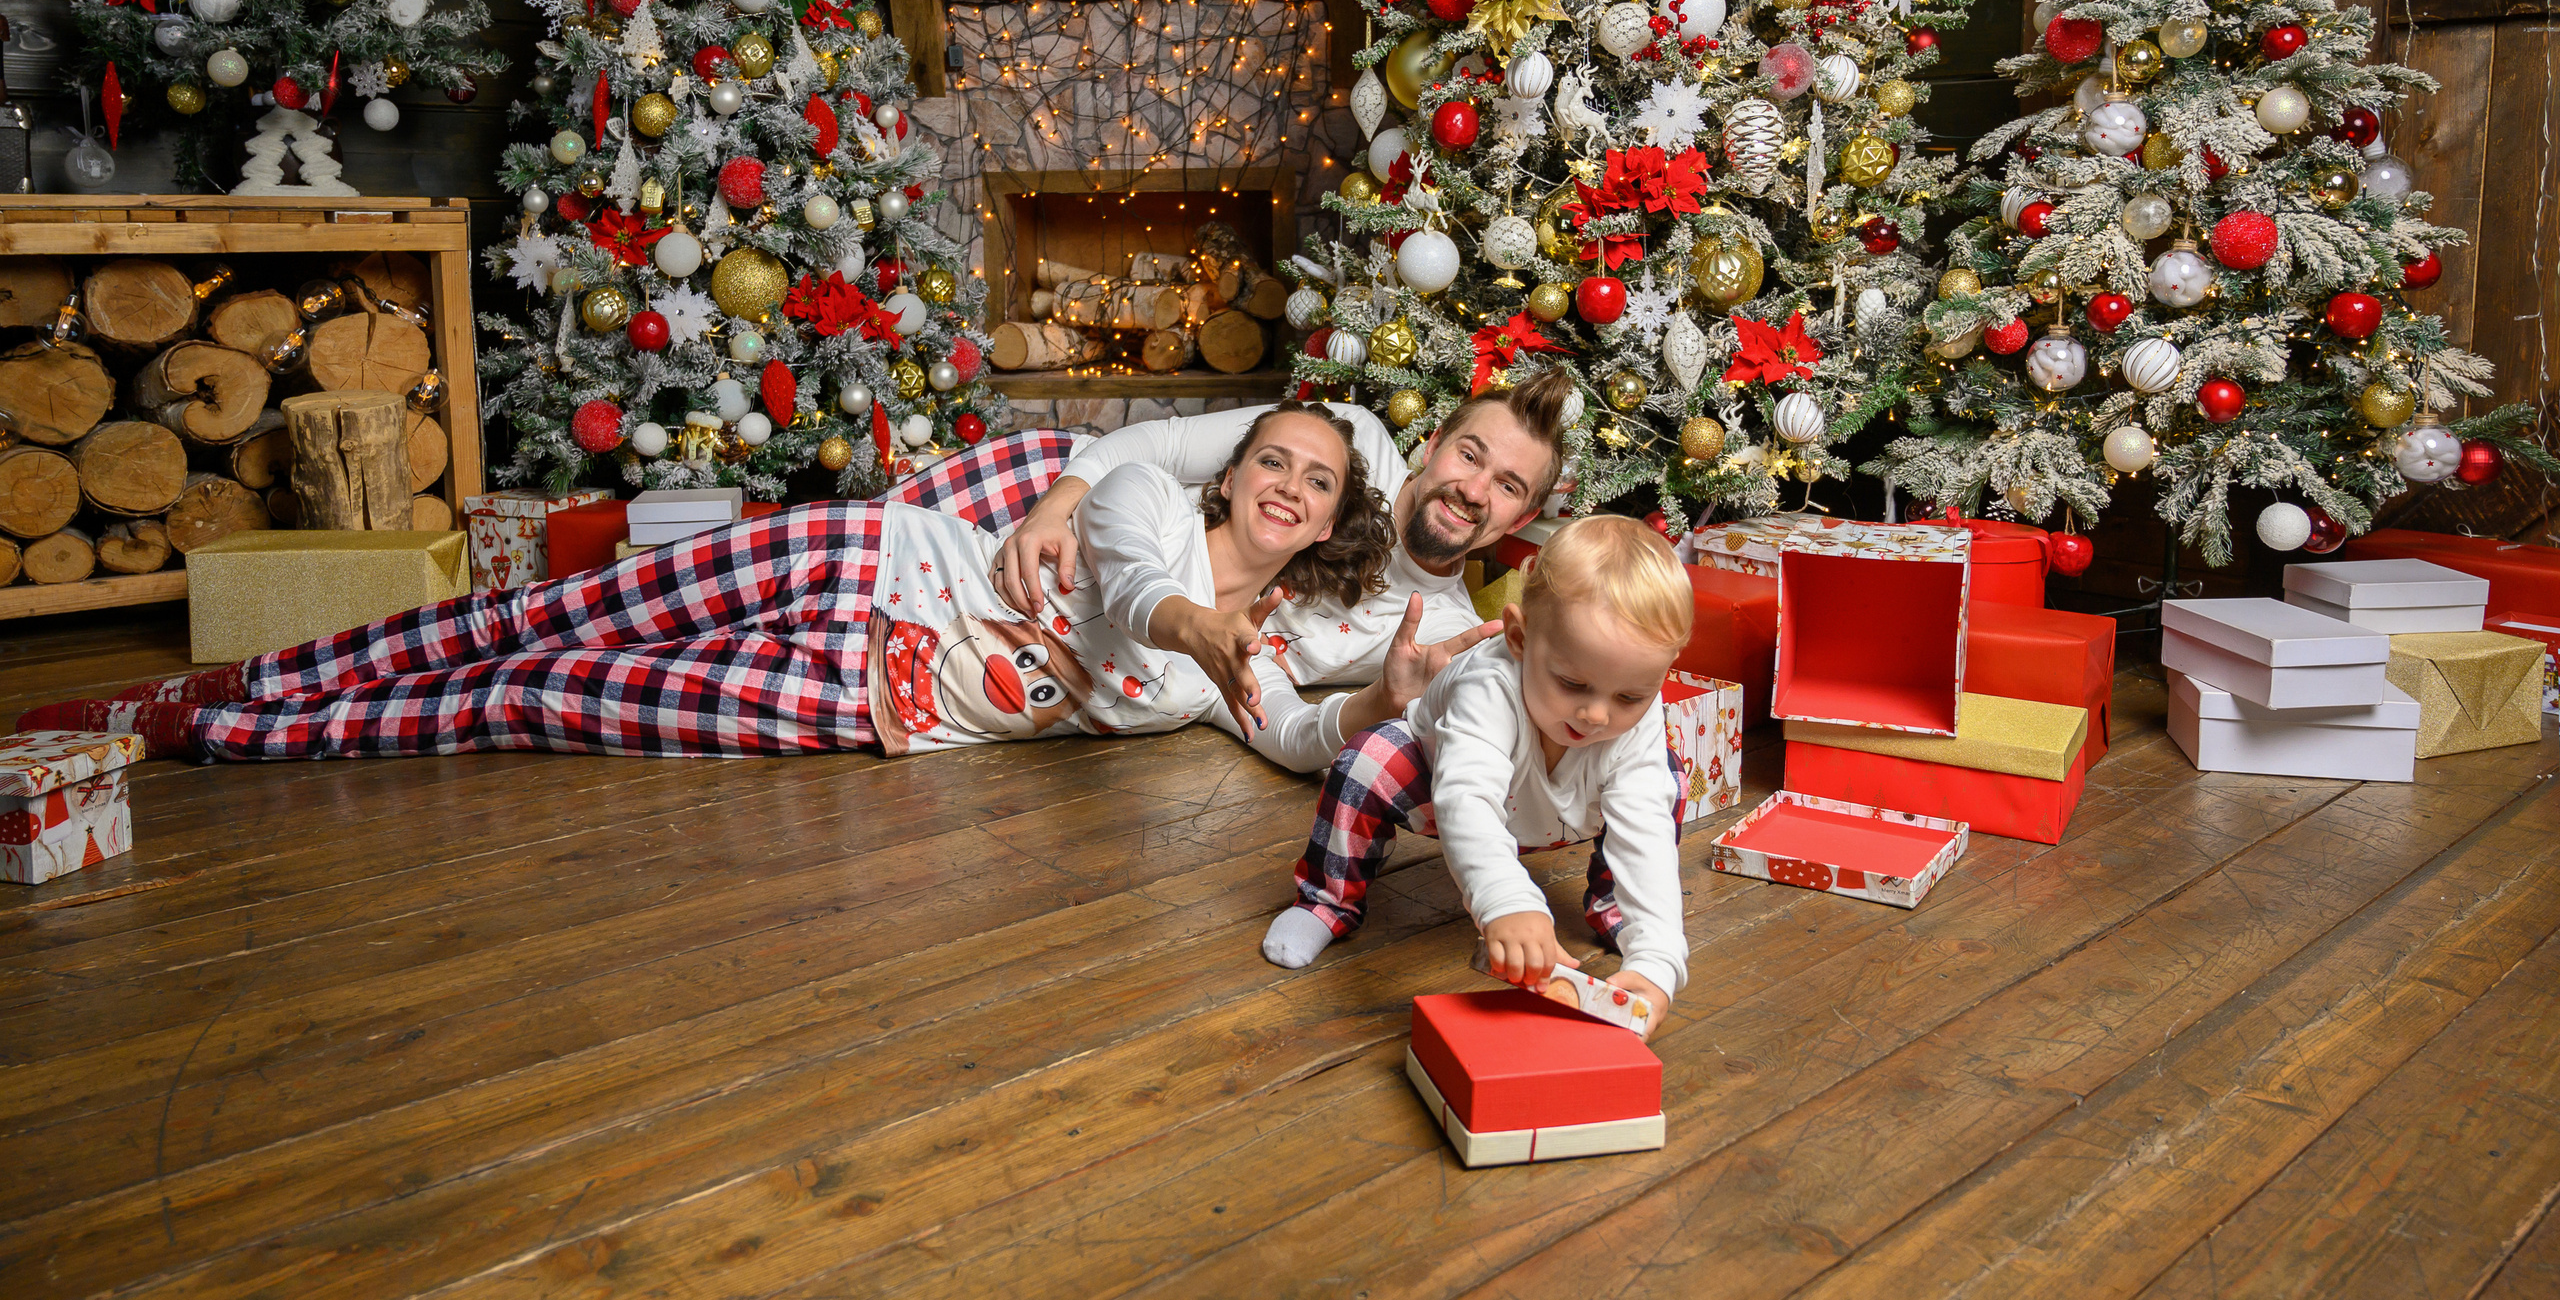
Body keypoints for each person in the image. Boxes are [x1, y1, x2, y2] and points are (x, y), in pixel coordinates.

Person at [16, 405, 1419, 776]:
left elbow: (1297, 736)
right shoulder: (1137, 504)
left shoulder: (1268, 644)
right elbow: (1124, 599)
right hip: (863, 559)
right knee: (532, 614)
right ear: (1230, 476)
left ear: (1327, 525)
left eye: (1318, 481)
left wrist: (1383, 712)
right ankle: (241, 676)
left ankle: (221, 733)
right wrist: (1198, 629)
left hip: (862, 700)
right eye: (1271, 459)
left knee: (535, 697)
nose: (1289, 484)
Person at [1260, 515, 1694, 1023]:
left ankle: (1614, 906)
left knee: (1665, 778)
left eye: (1629, 696)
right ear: (1518, 638)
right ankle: (1326, 902)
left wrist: (1658, 961)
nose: (1596, 715)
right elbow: (1465, 797)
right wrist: (1507, 900)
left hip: (1559, 811)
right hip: (1442, 792)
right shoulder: (1489, 685)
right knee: (1367, 760)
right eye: (1572, 684)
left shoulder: (1635, 720)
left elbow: (1645, 834)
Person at [982, 368, 1578, 691]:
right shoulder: (1352, 438)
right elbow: (1163, 444)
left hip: (1144, 669)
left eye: (1507, 486)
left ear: (1523, 519)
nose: (1474, 491)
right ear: (1432, 445)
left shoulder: (1443, 631)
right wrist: (1051, 510)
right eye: (1469, 457)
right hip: (1102, 525)